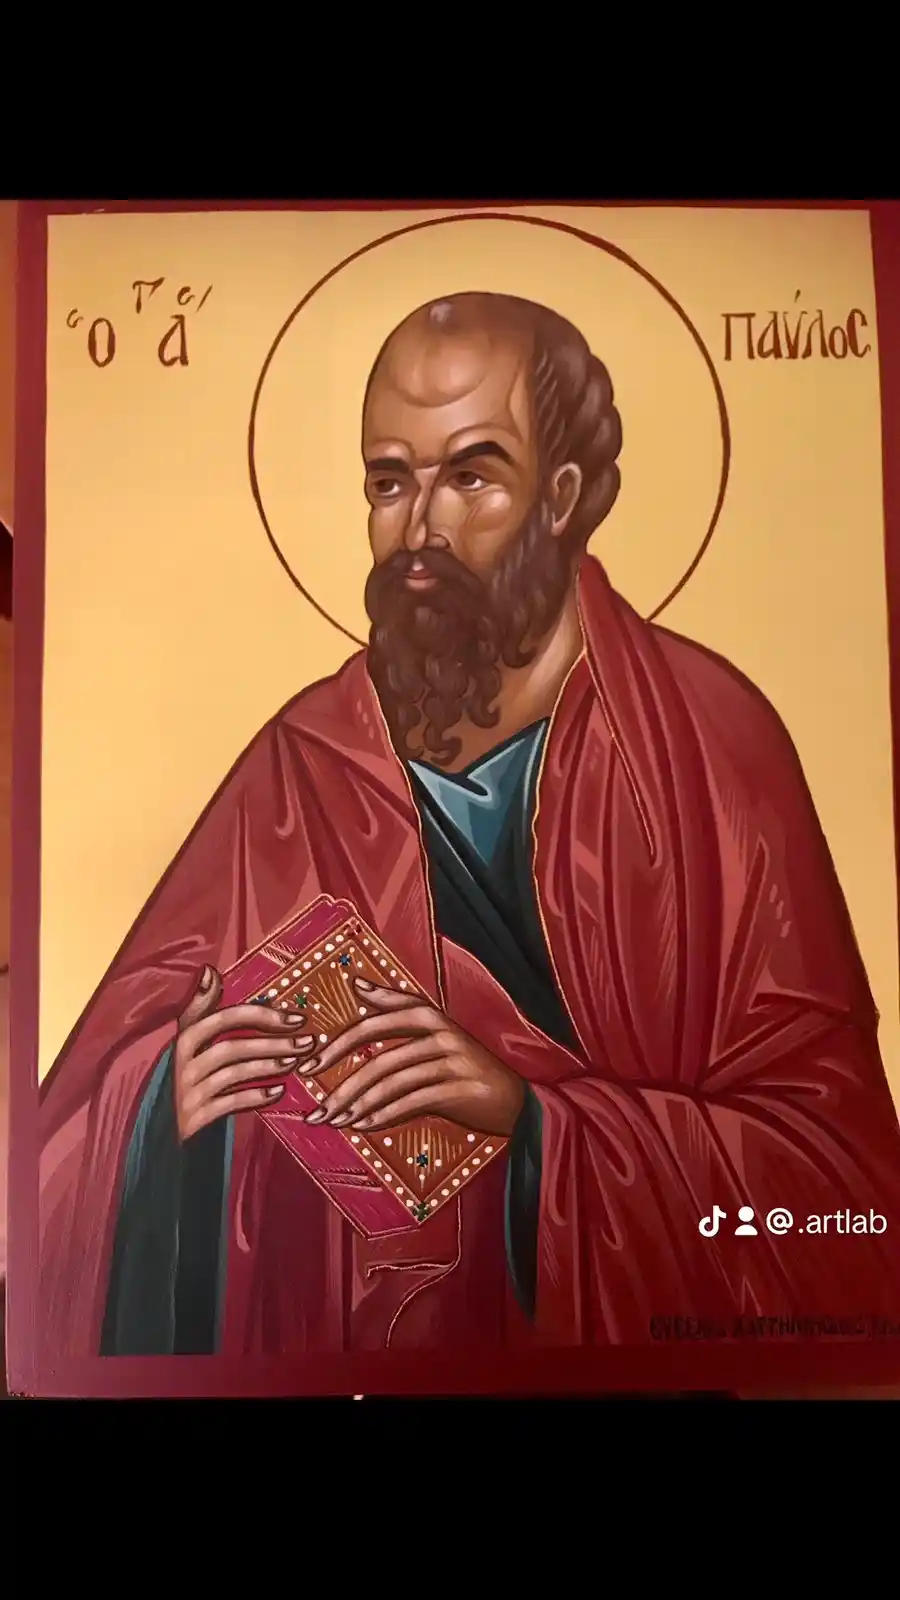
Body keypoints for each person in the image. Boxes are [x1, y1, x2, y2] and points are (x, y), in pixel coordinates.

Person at [37, 292, 900, 1362]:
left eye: (472, 475)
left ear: (563, 496)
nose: (421, 531)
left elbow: (842, 1194)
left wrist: (532, 1124)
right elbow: (63, 1149)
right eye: (390, 482)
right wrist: (165, 1109)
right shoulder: (299, 765)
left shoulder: (711, 746)